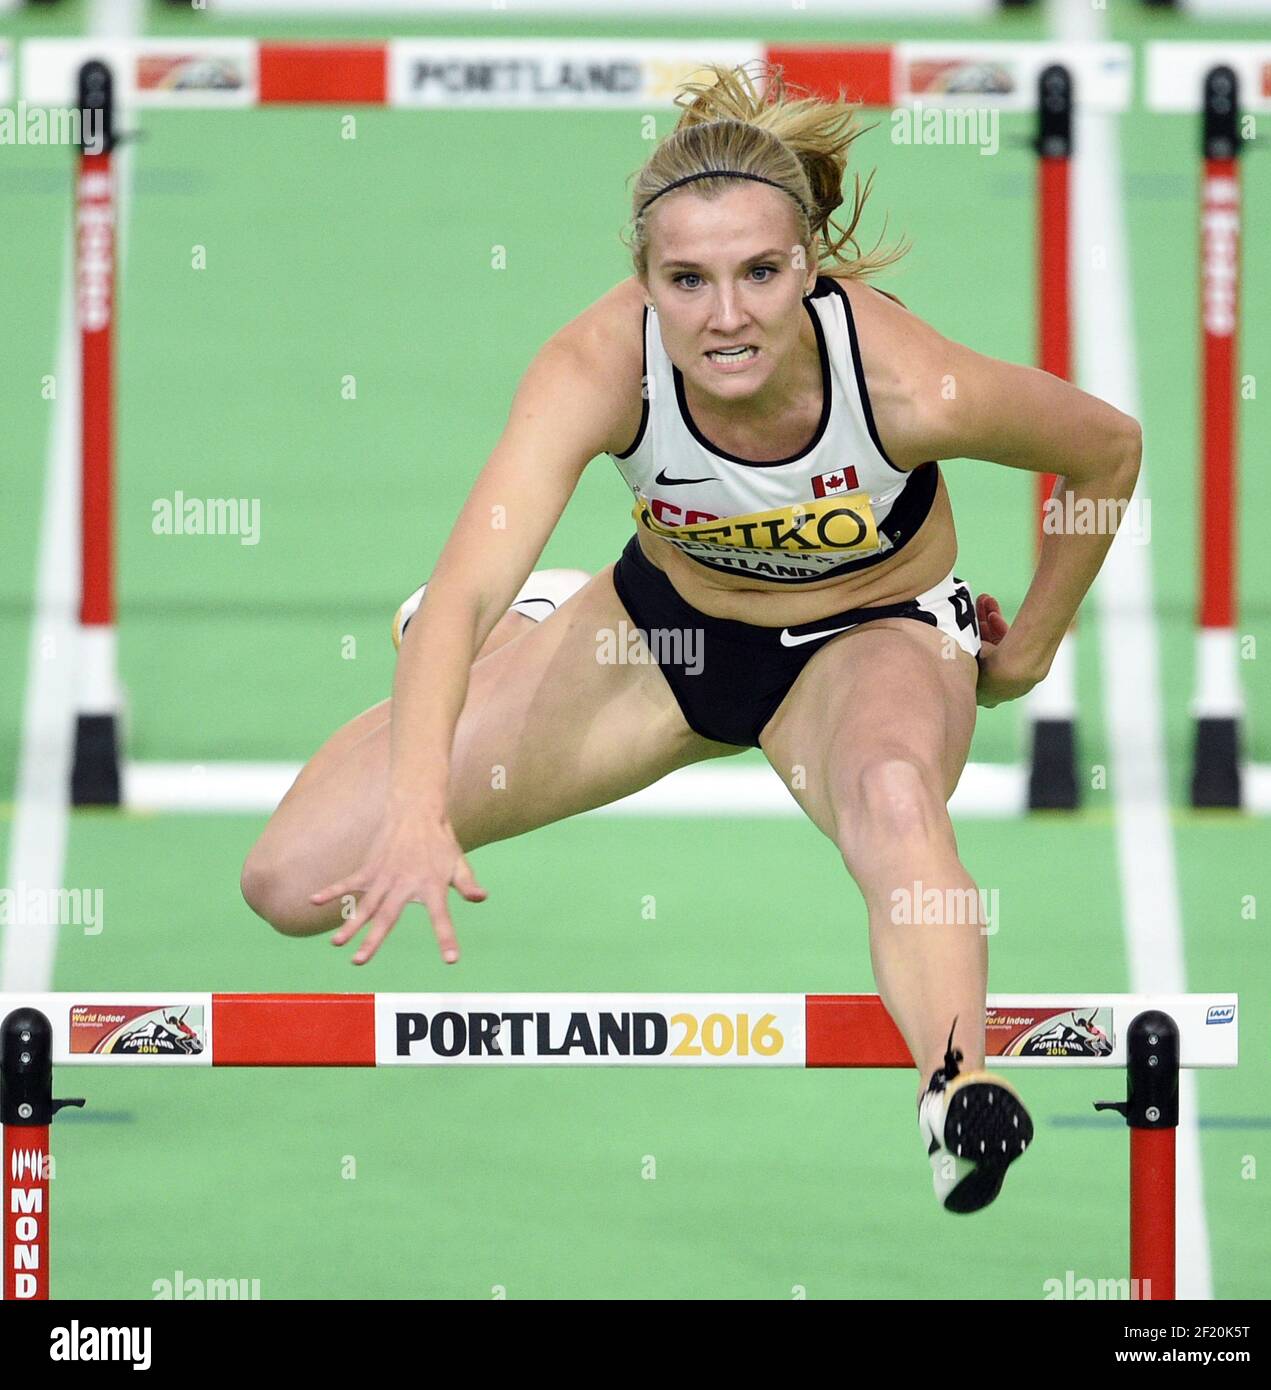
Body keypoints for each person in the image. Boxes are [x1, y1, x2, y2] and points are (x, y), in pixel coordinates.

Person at [240, 63, 1140, 1213]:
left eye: (760, 273)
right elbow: (453, 596)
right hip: (658, 635)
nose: (726, 317)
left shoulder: (911, 385)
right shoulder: (597, 364)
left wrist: (1030, 649)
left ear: (807, 267)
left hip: (871, 639)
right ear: (643, 284)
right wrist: (418, 811)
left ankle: (952, 1086)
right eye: (688, 280)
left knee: (894, 796)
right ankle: (544, 622)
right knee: (292, 879)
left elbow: (1105, 448)